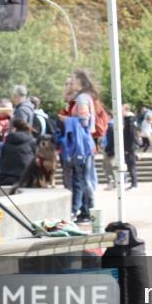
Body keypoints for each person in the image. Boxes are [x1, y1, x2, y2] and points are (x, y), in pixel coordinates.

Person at [59, 70, 98, 222]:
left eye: (73, 80)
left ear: (80, 82)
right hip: (85, 144)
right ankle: (86, 211)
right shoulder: (84, 97)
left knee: (84, 179)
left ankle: (89, 211)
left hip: (82, 145)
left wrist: (66, 120)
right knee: (83, 179)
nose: (71, 83)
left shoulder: (82, 99)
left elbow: (84, 121)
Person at [0, 118, 38, 186]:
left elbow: (2, 156)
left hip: (6, 178)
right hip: (26, 178)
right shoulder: (32, 140)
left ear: (14, 129)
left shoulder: (8, 140)